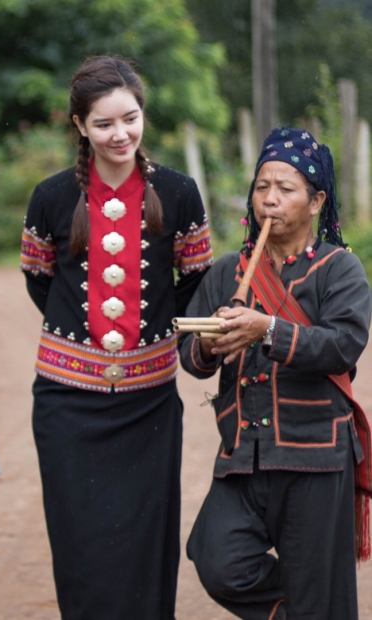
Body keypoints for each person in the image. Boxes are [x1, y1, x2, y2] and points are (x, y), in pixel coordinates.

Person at [20, 55, 213, 619]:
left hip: (149, 403)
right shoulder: (50, 197)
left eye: (130, 118)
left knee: (146, 542)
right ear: (80, 126)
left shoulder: (179, 193)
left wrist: (152, 330)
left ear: (143, 115)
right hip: (65, 404)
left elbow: (194, 278)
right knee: (80, 544)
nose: (119, 133)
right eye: (103, 123)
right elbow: (39, 280)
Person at [179, 126, 372, 619]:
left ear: (315, 202)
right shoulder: (228, 271)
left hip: (315, 457)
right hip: (244, 454)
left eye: (285, 189)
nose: (270, 199)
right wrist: (207, 344)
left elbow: (343, 346)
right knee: (218, 559)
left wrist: (267, 330)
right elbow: (190, 355)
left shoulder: (339, 269)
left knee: (317, 582)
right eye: (262, 187)